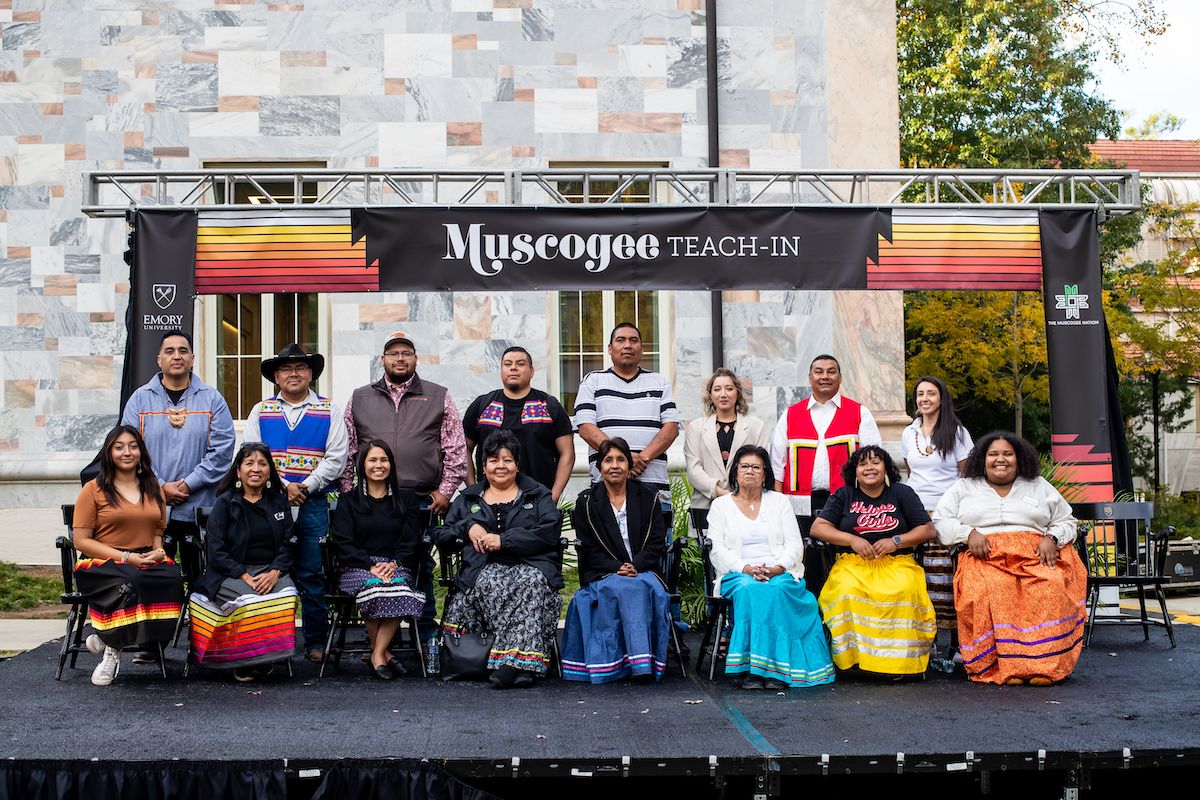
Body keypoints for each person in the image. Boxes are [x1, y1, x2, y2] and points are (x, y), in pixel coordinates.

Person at [933, 432, 1086, 686]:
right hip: (985, 557)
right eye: (993, 454)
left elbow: (1066, 520)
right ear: (983, 459)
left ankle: (1043, 666)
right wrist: (968, 533)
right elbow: (940, 522)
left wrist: (1053, 538)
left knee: (1050, 586)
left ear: (1018, 458)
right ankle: (1005, 667)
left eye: (1007, 454)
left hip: (1036, 555)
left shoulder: (1037, 485)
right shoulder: (964, 487)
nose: (1000, 459)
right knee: (989, 590)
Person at [342, 332, 467, 642]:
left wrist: (446, 490)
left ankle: (425, 634)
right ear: (382, 360)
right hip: (370, 498)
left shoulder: (438, 395)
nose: (400, 358)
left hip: (422, 499)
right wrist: (348, 492)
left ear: (415, 359)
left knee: (419, 562)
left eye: (406, 353)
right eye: (393, 353)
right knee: (372, 558)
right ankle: (389, 638)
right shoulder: (360, 397)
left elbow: (455, 447)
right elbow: (348, 447)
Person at [244, 343, 347, 664]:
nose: (293, 373)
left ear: (311, 374)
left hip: (313, 504)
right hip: (269, 504)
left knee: (312, 573)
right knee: (266, 568)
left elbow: (337, 457)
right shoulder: (261, 411)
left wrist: (306, 485)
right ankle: (273, 643)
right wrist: (285, 486)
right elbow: (250, 455)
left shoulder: (330, 410)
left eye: (300, 368)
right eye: (286, 368)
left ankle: (315, 641)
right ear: (276, 376)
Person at [437, 430, 563, 689]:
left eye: (507, 460)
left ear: (517, 464)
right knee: (493, 580)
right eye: (494, 460)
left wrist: (505, 541)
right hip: (483, 569)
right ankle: (523, 666)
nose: (501, 466)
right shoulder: (468, 499)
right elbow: (441, 535)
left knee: (532, 582)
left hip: (531, 564)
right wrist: (467, 527)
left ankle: (512, 663)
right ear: (483, 466)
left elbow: (549, 532)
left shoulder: (537, 495)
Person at [705, 445, 835, 689]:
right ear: (735, 472)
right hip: (737, 573)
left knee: (775, 590)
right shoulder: (721, 506)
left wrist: (778, 567)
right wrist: (745, 568)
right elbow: (718, 549)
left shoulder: (780, 502)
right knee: (750, 589)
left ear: (765, 474)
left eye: (756, 467)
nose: (750, 472)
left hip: (780, 571)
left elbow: (795, 545)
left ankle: (775, 670)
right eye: (744, 466)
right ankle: (751, 670)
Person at [810, 445, 937, 678]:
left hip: (896, 563)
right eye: (863, 463)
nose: (870, 467)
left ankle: (899, 665)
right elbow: (818, 528)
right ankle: (854, 661)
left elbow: (927, 530)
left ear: (886, 468)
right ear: (855, 471)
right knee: (847, 591)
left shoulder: (902, 493)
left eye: (876, 462)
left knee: (905, 589)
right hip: (853, 564)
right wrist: (851, 540)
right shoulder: (844, 495)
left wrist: (896, 541)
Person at [72, 425, 183, 686]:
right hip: (102, 562)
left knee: (172, 579)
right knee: (131, 582)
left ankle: (105, 634)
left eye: (133, 446)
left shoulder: (154, 487)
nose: (127, 452)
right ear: (108, 453)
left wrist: (157, 552)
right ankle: (112, 651)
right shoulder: (93, 489)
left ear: (141, 452)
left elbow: (158, 530)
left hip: (143, 558)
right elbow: (82, 540)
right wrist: (126, 557)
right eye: (119, 447)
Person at [121, 329, 235, 574]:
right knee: (153, 580)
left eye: (183, 351)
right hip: (149, 506)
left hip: (201, 509)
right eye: (169, 351)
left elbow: (222, 452)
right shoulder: (139, 400)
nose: (177, 356)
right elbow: (126, 451)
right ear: (158, 359)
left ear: (192, 358)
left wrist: (187, 485)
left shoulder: (212, 399)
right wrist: (159, 486)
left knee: (201, 580)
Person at [562, 437, 672, 684]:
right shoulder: (587, 502)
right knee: (624, 587)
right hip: (604, 572)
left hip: (644, 571)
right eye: (608, 460)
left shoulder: (648, 497)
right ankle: (625, 664)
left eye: (621, 459)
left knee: (635, 586)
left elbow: (657, 542)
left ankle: (640, 664)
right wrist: (616, 567)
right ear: (599, 467)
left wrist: (637, 565)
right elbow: (587, 547)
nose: (615, 465)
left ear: (629, 465)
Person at [769, 354, 881, 595]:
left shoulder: (859, 413)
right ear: (810, 378)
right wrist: (777, 505)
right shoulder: (790, 414)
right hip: (798, 503)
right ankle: (808, 617)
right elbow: (777, 464)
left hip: (846, 500)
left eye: (831, 371)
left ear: (840, 377)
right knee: (804, 561)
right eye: (819, 371)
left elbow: (876, 460)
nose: (825, 376)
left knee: (842, 559)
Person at [188, 443, 299, 681]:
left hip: (271, 571)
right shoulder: (225, 503)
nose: (255, 469)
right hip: (230, 573)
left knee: (287, 597)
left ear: (270, 471)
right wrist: (244, 575)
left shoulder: (279, 502)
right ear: (238, 471)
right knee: (250, 601)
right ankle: (245, 661)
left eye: (262, 463)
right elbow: (216, 551)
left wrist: (275, 572)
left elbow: (289, 543)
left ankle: (262, 658)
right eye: (249, 463)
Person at [329, 440, 426, 681]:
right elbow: (342, 541)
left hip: (396, 565)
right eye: (372, 460)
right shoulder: (349, 500)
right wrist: (369, 566)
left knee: (399, 589)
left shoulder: (407, 499)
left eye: (384, 460)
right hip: (357, 566)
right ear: (362, 465)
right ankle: (385, 654)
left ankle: (378, 653)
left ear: (391, 465)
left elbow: (412, 539)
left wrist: (394, 563)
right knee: (375, 589)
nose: (378, 465)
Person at [899, 376, 973, 667]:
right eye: (920, 394)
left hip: (947, 513)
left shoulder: (956, 432)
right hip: (917, 514)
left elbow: (966, 476)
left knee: (947, 578)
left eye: (931, 393)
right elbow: (910, 472)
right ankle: (923, 644)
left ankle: (955, 644)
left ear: (942, 398)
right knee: (922, 578)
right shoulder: (909, 433)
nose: (925, 398)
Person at [574, 322, 679, 493]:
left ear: (641, 348)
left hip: (654, 490)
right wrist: (625, 458)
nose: (628, 345)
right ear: (610, 348)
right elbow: (586, 428)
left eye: (633, 340)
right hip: (606, 489)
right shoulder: (592, 381)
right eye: (621, 340)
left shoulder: (659, 382)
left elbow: (671, 429)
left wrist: (642, 458)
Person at [462, 346, 574, 502]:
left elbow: (567, 453)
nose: (513, 368)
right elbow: (463, 448)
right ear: (501, 370)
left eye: (520, 364)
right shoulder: (482, 405)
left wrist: (552, 497)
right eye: (507, 364)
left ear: (532, 371)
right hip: (489, 503)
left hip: (537, 501)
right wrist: (473, 489)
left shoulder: (549, 406)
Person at [684, 368, 771, 511]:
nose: (723, 394)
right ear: (711, 395)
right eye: (717, 389)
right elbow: (693, 470)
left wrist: (739, 495)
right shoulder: (696, 427)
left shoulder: (756, 426)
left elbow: (761, 466)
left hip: (747, 505)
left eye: (729, 389)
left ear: (737, 393)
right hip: (706, 506)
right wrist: (721, 492)